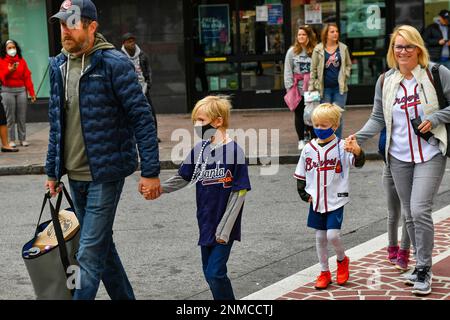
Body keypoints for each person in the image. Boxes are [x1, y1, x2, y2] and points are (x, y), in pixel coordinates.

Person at [45, 0, 161, 300]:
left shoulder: (113, 64)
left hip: (105, 175)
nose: (65, 30)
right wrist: (52, 171)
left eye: (72, 23)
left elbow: (142, 117)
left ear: (92, 26)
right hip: (74, 175)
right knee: (101, 247)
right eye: (62, 23)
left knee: (88, 254)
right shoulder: (58, 65)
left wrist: (150, 171)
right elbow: (57, 124)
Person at [347, 25, 450, 296]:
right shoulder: (386, 80)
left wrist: (436, 118)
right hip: (398, 156)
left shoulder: (436, 74)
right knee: (409, 215)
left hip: (429, 153)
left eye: (408, 46)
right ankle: (418, 265)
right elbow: (378, 118)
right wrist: (356, 138)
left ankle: (425, 268)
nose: (403, 51)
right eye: (398, 46)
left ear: (418, 49)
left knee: (419, 210)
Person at [151, 96, 251, 300]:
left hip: (225, 226)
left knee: (215, 273)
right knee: (209, 273)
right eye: (195, 121)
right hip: (205, 222)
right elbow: (183, 177)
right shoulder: (200, 150)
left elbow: (240, 192)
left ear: (218, 121)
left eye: (201, 121)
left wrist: (225, 228)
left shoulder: (234, 151)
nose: (197, 125)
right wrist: (159, 189)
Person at [294, 103, 365, 290]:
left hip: (336, 198)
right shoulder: (309, 148)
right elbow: (301, 173)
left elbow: (358, 162)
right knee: (320, 237)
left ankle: (342, 260)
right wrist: (303, 193)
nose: (319, 129)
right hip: (316, 200)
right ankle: (324, 271)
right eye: (316, 125)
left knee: (333, 235)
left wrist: (357, 150)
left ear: (334, 126)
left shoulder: (343, 147)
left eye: (324, 125)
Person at [309, 23, 352, 138]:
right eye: (332, 32)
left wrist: (345, 75)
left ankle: (337, 140)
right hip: (324, 89)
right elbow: (313, 69)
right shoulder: (318, 49)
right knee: (325, 115)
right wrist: (312, 86)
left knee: (338, 115)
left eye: (337, 31)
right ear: (326, 34)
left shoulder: (343, 48)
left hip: (340, 88)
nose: (335, 34)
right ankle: (327, 139)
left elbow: (348, 65)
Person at [378, 128, 411, 271]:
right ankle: (392, 247)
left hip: (408, 164)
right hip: (388, 164)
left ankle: (404, 251)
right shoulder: (387, 109)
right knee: (393, 212)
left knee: (407, 213)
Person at [121, 32, 160, 142]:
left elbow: (148, 70)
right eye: (129, 42)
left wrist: (148, 84)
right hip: (129, 90)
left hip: (143, 89)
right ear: (124, 43)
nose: (132, 43)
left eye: (133, 41)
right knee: (129, 114)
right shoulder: (120, 56)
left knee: (150, 113)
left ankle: (153, 136)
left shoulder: (142, 55)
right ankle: (131, 137)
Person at [284, 25, 317, 150]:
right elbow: (288, 70)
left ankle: (313, 138)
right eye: (299, 35)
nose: (301, 37)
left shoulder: (315, 50)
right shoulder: (292, 51)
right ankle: (301, 139)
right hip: (297, 89)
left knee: (312, 114)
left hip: (312, 88)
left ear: (309, 36)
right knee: (299, 114)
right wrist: (289, 88)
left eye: (303, 34)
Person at [0, 39, 36, 147]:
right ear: (5, 50)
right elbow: (1, 77)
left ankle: (22, 139)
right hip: (7, 91)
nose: (12, 50)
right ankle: (11, 140)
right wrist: (9, 71)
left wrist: (32, 92)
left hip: (21, 90)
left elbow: (27, 77)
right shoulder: (2, 61)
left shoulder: (21, 61)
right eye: (9, 48)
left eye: (13, 47)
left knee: (21, 116)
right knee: (9, 117)